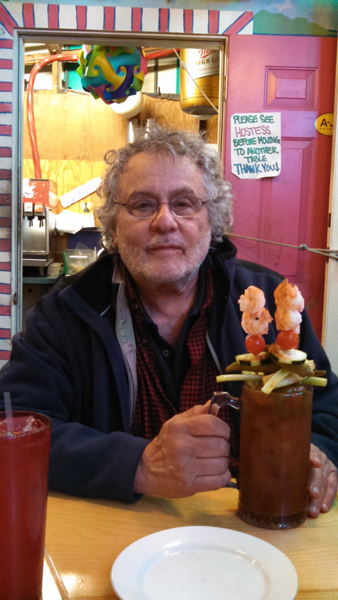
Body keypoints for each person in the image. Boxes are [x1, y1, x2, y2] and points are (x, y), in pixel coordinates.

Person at [0, 125, 337, 517]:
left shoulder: (270, 308)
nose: (164, 221)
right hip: (118, 531)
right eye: (143, 205)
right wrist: (138, 464)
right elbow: (14, 427)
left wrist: (320, 452)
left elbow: (327, 405)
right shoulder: (65, 313)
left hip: (250, 528)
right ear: (112, 226)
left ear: (213, 220)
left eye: (184, 203)